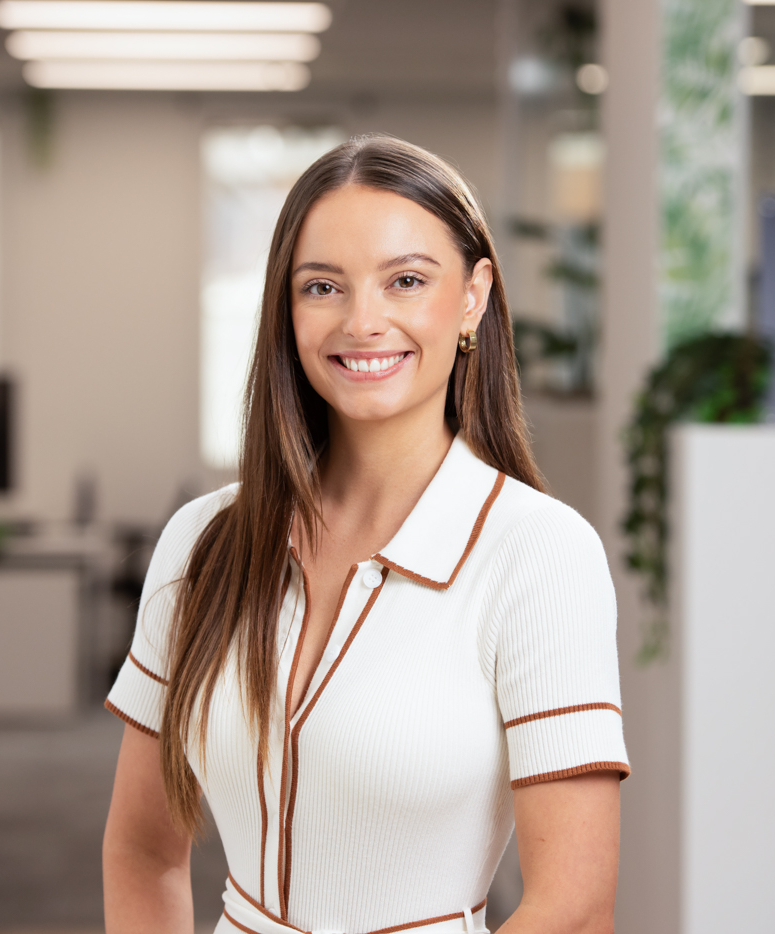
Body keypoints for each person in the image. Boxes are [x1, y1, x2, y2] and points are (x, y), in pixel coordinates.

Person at [102, 135, 628, 934]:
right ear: (286, 304)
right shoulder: (202, 540)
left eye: (407, 281)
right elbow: (143, 850)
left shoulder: (538, 554)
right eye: (323, 287)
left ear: (474, 297)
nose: (363, 321)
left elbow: (574, 908)